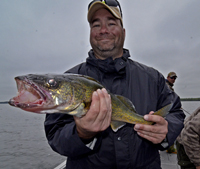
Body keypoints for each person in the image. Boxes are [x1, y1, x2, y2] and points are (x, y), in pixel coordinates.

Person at [44, 1, 185, 168]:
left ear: (123, 32)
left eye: (111, 23)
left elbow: (175, 112)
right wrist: (81, 133)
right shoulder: (68, 82)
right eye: (96, 25)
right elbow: (55, 135)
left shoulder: (153, 78)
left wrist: (166, 131)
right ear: (90, 33)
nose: (104, 30)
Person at [166, 71, 178, 153]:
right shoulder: (166, 86)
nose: (173, 79)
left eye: (175, 78)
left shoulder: (168, 86)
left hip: (168, 110)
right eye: (172, 77)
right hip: (167, 111)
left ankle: (168, 146)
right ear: (167, 77)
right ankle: (170, 148)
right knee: (172, 128)